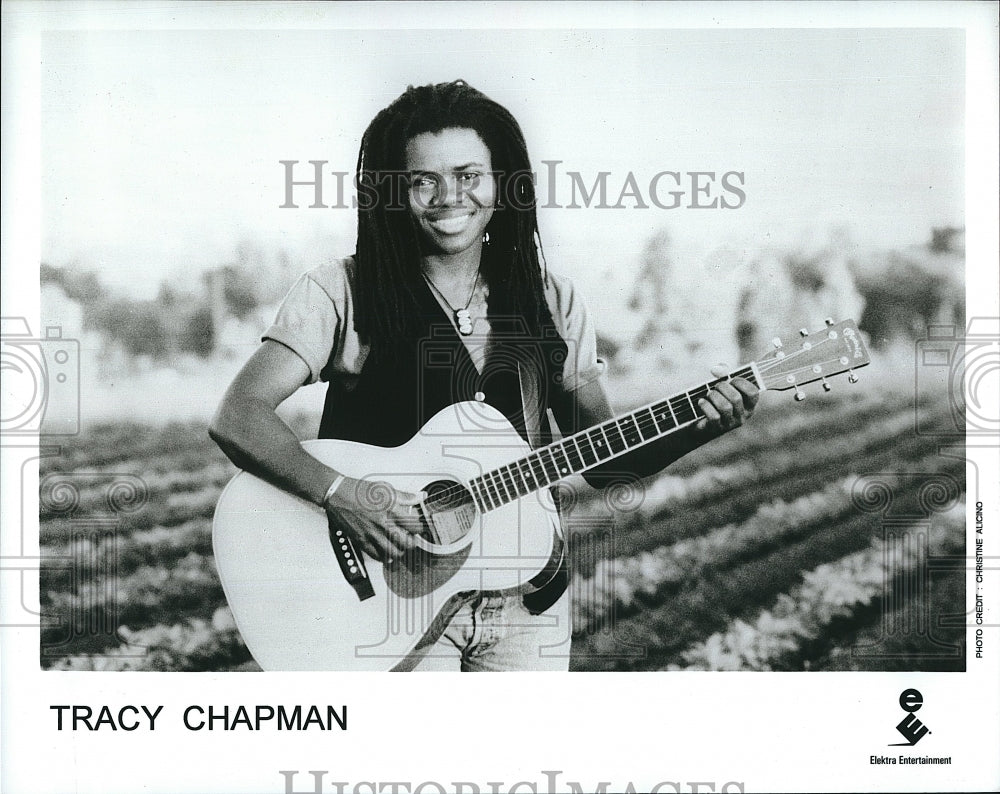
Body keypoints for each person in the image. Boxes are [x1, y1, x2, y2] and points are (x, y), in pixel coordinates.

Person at [209, 80, 758, 672]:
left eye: (469, 174)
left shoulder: (551, 299)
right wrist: (343, 495)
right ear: (394, 193)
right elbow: (238, 415)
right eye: (424, 180)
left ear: (502, 183)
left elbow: (604, 459)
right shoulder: (340, 291)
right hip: (395, 608)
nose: (450, 196)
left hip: (528, 605)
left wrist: (699, 425)